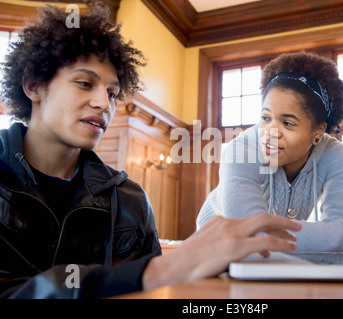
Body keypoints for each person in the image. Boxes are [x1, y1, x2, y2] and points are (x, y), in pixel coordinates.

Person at [0, 5, 302, 299]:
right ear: (34, 86)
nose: (104, 104)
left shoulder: (130, 201)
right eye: (84, 83)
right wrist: (155, 272)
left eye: (112, 93)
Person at [196, 51, 343, 253]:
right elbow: (252, 238)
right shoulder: (240, 150)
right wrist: (339, 235)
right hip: (210, 255)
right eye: (266, 118)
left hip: (273, 260)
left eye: (288, 123)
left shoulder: (335, 154)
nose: (271, 132)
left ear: (317, 132)